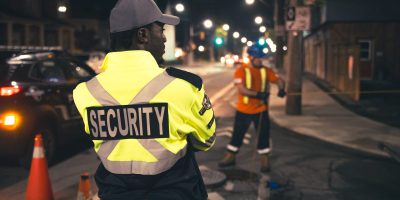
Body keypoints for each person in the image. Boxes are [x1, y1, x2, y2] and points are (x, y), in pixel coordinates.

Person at [72, 0, 216, 199]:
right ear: (143, 35)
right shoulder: (183, 86)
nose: (164, 38)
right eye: (161, 30)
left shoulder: (85, 91)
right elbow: (206, 140)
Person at [218, 44, 286, 172]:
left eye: (261, 58)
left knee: (263, 135)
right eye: (258, 58)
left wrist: (282, 89)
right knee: (237, 134)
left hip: (261, 110)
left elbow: (279, 80)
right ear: (250, 57)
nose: (261, 60)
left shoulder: (266, 71)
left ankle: (264, 160)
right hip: (243, 110)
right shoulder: (241, 70)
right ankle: (230, 156)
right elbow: (241, 89)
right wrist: (258, 94)